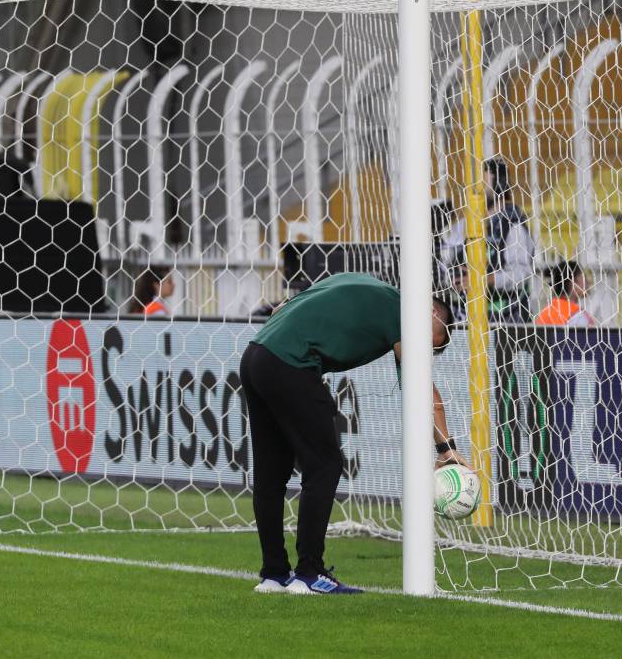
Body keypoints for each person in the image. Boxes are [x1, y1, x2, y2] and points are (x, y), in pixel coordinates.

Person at [240, 272, 466, 595]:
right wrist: (447, 448)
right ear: (432, 314)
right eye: (434, 342)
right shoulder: (404, 315)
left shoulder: (362, 283)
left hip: (256, 356)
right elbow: (422, 391)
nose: (428, 351)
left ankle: (274, 575)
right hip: (291, 363)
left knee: (270, 475)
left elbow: (282, 309)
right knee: (325, 465)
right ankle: (309, 573)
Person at [440, 157, 535, 323]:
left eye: (482, 183)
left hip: (506, 317)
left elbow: (521, 274)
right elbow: (445, 259)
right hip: (465, 314)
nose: (476, 189)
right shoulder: (464, 225)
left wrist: (484, 280)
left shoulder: (512, 225)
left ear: (500, 183)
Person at [536, 260, 594, 327]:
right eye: (584, 277)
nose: (589, 282)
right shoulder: (577, 316)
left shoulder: (546, 312)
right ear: (573, 282)